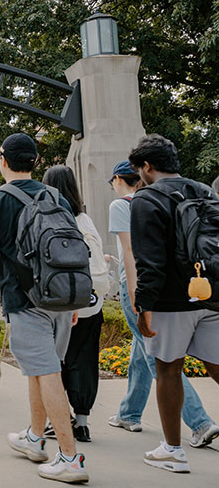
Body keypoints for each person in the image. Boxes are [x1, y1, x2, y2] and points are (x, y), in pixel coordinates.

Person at [0, 133, 88, 483]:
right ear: (34, 162)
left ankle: (70, 457)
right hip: (62, 296)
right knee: (40, 368)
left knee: (47, 372)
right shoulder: (57, 196)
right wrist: (74, 295)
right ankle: (35, 438)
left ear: (3, 161)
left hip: (26, 300)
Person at [107, 159, 219, 449]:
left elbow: (133, 254)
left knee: (163, 364)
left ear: (121, 179)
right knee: (140, 352)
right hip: (199, 287)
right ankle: (128, 413)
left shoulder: (125, 204)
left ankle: (199, 424)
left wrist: (139, 300)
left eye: (112, 181)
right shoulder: (193, 193)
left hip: (144, 287)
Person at [42, 165, 106, 443]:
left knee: (54, 361)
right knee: (85, 360)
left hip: (62, 302)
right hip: (92, 300)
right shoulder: (85, 219)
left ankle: (58, 418)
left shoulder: (50, 218)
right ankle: (82, 422)